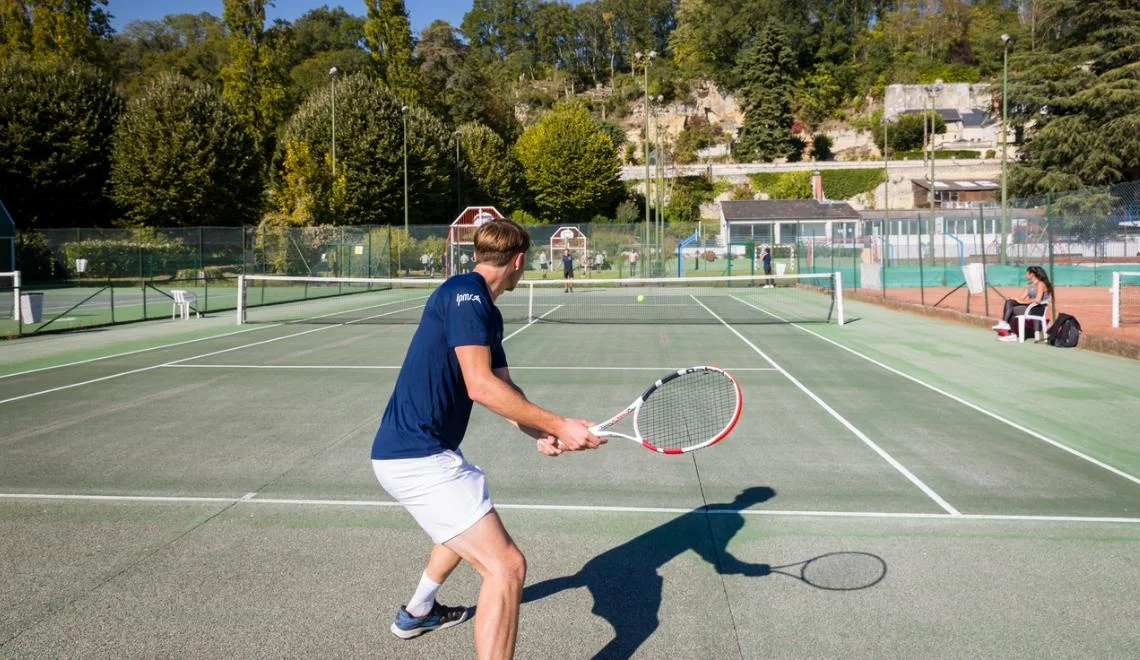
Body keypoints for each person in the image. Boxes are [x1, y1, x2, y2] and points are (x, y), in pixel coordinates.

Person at [371, 219, 604, 656]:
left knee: (463, 522)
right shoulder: (466, 296)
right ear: (518, 262)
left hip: (423, 451)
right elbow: (479, 386)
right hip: (415, 456)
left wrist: (542, 431)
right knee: (507, 567)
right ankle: (419, 613)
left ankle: (417, 613)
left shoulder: (484, 310)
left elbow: (505, 392)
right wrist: (560, 424)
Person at [993, 265, 1053, 342]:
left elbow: (1038, 300)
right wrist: (1013, 298)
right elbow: (1021, 298)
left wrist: (1023, 302)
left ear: (1031, 274)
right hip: (1030, 307)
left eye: (1026, 273)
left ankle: (1010, 332)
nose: (1025, 275)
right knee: (1009, 302)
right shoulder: (1030, 285)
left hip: (1037, 309)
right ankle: (1007, 328)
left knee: (1012, 309)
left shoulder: (1040, 284)